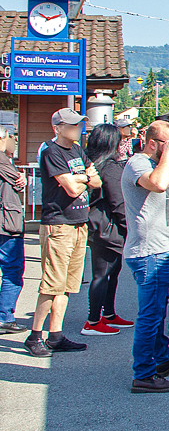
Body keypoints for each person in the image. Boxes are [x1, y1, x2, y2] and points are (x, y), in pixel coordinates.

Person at [121, 119, 169, 393]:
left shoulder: (151, 163)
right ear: (152, 143)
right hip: (148, 252)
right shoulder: (139, 164)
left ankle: (162, 358)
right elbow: (159, 185)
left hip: (158, 249)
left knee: (157, 310)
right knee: (150, 315)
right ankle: (144, 374)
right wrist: (167, 156)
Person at [27, 108, 101, 357]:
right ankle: (35, 335)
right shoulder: (51, 152)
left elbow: (97, 181)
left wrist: (79, 177)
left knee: (68, 286)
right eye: (71, 125)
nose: (77, 130)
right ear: (57, 128)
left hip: (79, 223)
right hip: (58, 224)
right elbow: (70, 188)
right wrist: (83, 177)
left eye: (79, 125)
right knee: (51, 284)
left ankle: (56, 335)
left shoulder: (78, 150)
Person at [83, 124, 134, 335]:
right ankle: (93, 321)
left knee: (109, 272)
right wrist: (129, 227)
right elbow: (118, 202)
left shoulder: (93, 163)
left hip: (100, 225)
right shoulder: (110, 167)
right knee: (103, 274)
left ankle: (109, 314)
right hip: (109, 228)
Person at [0, 128, 27, 334]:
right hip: (7, 223)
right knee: (12, 270)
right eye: (12, 138)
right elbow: (17, 181)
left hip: (7, 221)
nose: (14, 142)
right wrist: (21, 177)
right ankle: (5, 316)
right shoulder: (2, 159)